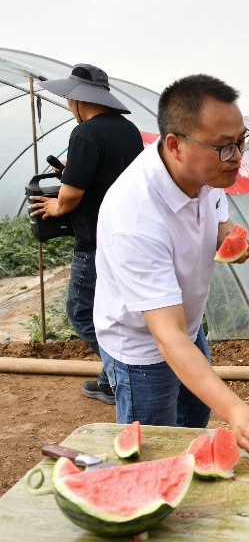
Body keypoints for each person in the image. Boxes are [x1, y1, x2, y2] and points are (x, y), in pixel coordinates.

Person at [93, 74, 249, 461]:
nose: (238, 157)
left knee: (192, 426)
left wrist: (229, 240)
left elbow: (219, 218)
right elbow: (167, 337)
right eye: (224, 147)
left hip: (188, 330)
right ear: (174, 145)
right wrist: (235, 409)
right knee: (154, 455)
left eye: (242, 141)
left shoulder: (209, 171)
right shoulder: (135, 217)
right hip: (143, 349)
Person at [30, 64, 144, 405]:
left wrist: (55, 206)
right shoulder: (129, 131)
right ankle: (114, 376)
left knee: (81, 312)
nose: (68, 105)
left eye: (69, 99)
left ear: (80, 99)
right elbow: (113, 175)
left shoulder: (85, 133)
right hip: (126, 237)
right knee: (116, 312)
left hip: (95, 242)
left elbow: (70, 196)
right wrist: (72, 171)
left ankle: (119, 376)